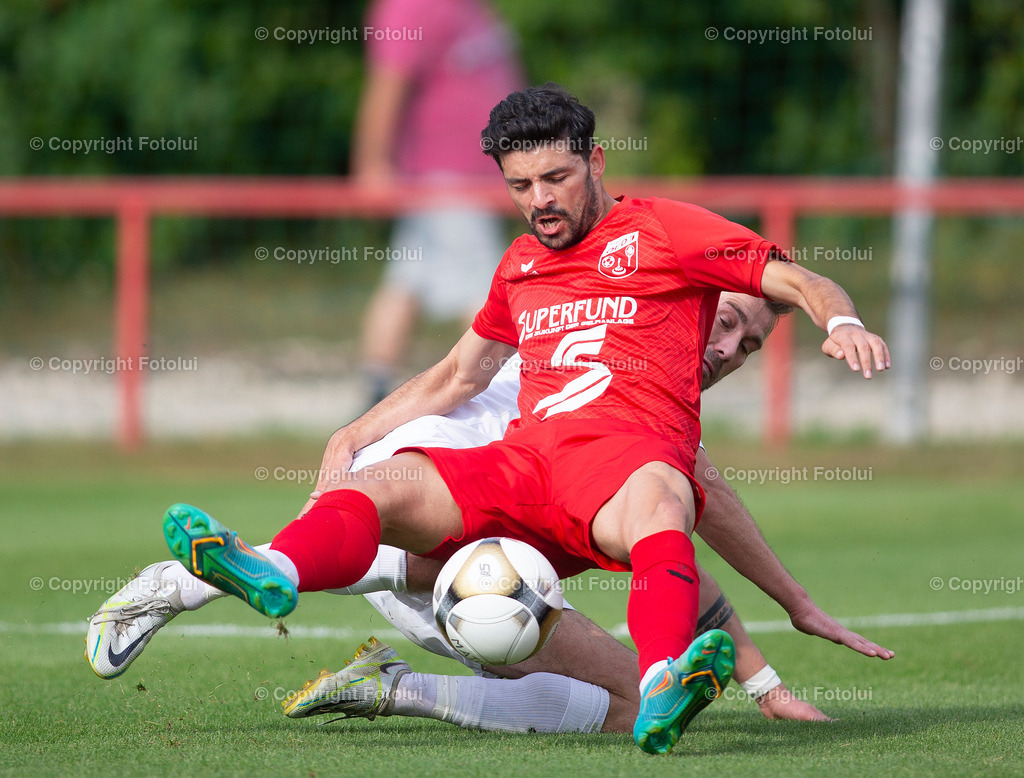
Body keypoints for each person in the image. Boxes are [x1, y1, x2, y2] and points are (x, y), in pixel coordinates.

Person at [106, 84, 892, 755]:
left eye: (556, 177)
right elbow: (457, 374)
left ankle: (660, 681)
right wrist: (350, 435)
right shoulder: (520, 265)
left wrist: (841, 321)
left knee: (662, 497)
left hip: (608, 479)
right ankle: (267, 573)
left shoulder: (664, 232)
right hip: (521, 473)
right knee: (390, 482)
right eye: (522, 185)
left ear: (597, 162)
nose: (540, 200)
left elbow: (796, 278)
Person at [87, 292, 892, 735]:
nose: (727, 352)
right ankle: (391, 684)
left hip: (415, 513)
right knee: (618, 705)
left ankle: (203, 582)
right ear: (688, 302)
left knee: (596, 633)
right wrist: (773, 664)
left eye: (748, 345)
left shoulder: (607, 349)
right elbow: (681, 527)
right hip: (434, 516)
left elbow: (678, 544)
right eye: (724, 324)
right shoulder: (638, 404)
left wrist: (776, 651)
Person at [354, 0, 523, 405]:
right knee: (487, 293)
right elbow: (386, 83)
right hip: (446, 180)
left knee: (408, 279)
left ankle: (374, 393)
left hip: (471, 179)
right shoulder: (411, 7)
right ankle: (501, 397)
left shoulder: (470, 8)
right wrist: (372, 163)